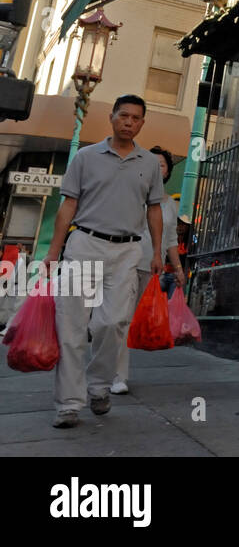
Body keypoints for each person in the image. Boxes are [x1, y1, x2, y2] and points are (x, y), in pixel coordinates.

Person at [43, 95, 165, 428]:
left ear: (142, 123)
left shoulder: (150, 163)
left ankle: (98, 387)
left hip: (126, 251)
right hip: (84, 244)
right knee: (71, 326)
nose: (129, 122)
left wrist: (156, 252)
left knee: (112, 323)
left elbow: (153, 209)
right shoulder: (85, 157)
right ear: (112, 118)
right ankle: (68, 403)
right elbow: (68, 206)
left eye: (136, 118)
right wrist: (53, 251)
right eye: (123, 115)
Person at [111, 146, 184, 395]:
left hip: (151, 268)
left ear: (166, 172)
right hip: (125, 263)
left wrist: (178, 268)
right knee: (120, 319)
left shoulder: (170, 204)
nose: (156, 167)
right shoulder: (131, 193)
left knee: (130, 322)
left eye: (161, 164)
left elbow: (171, 239)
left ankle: (109, 367)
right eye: (152, 162)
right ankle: (118, 375)